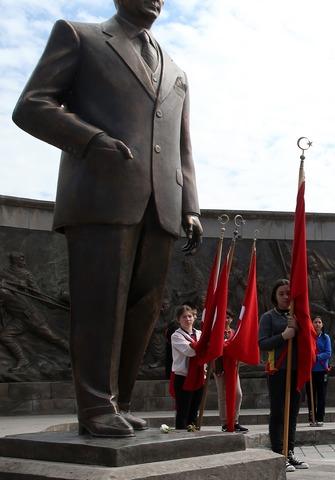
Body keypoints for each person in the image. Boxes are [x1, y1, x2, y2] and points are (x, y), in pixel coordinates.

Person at [11, 0, 202, 437]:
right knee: (100, 305)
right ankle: (96, 407)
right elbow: (31, 105)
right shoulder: (80, 37)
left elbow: (183, 147)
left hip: (164, 205)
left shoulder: (176, 70)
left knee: (143, 309)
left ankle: (122, 402)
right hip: (101, 196)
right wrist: (91, 139)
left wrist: (190, 205)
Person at [258, 279, 309, 472]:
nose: (286, 297)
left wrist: (300, 327)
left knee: (293, 412)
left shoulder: (298, 315)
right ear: (275, 296)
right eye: (281, 293)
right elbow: (262, 343)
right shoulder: (268, 317)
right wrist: (284, 335)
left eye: (288, 293)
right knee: (279, 412)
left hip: (297, 369)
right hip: (278, 370)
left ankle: (289, 451)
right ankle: (278, 452)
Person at [214, 309, 248, 433]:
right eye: (224, 317)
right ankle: (224, 422)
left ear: (231, 319)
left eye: (228, 317)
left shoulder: (234, 332)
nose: (226, 320)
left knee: (238, 394)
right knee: (223, 396)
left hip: (233, 368)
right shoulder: (216, 333)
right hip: (220, 367)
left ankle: (235, 421)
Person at [170, 305, 203, 431]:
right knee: (183, 410)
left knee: (194, 409)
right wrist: (203, 346)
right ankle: (181, 435)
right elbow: (190, 352)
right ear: (179, 319)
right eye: (184, 317)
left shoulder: (200, 334)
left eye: (190, 316)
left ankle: (193, 433)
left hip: (199, 375)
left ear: (194, 318)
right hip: (183, 376)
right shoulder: (176, 336)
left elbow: (201, 350)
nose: (187, 319)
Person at [308, 315, 332, 426]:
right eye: (315, 322)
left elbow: (328, 353)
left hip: (322, 370)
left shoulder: (325, 337)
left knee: (321, 395)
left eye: (319, 322)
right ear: (311, 324)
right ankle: (312, 418)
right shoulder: (309, 337)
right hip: (310, 371)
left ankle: (320, 418)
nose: (317, 324)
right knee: (311, 395)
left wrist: (316, 357)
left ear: (322, 325)